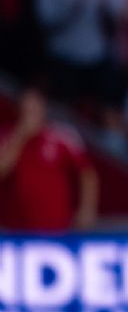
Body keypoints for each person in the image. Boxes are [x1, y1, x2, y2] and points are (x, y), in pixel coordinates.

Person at [0, 87, 98, 231]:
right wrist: (20, 136)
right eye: (26, 110)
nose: (30, 115)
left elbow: (87, 173)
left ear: (43, 109)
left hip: (55, 227)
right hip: (14, 228)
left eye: (34, 109)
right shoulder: (5, 136)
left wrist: (87, 209)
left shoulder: (62, 136)